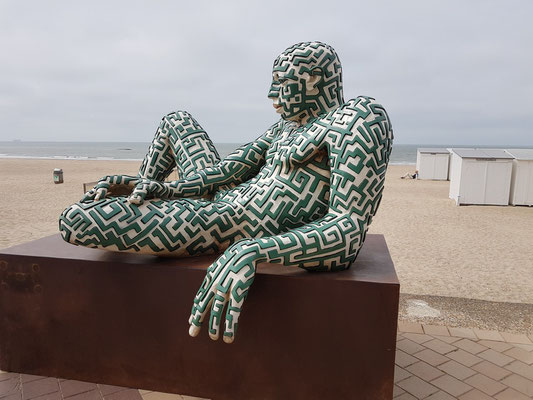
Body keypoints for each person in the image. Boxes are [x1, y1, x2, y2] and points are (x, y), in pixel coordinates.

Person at [59, 41, 393, 343]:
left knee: (77, 220)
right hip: (219, 199)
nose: (271, 96)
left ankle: (147, 218)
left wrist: (257, 250)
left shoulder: (357, 120)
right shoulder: (287, 125)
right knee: (175, 120)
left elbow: (347, 231)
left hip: (225, 222)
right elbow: (227, 170)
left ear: (314, 81)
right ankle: (142, 200)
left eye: (283, 85)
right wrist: (165, 189)